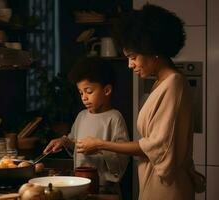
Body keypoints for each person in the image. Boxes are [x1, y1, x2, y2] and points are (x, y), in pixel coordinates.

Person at [76, 4, 205, 200]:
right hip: (154, 180)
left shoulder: (174, 84)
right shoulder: (160, 83)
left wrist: (101, 144)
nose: (130, 65)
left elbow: (156, 146)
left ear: (153, 51)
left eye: (133, 57)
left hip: (168, 188)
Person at [43, 57, 129, 195]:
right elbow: (75, 143)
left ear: (107, 90)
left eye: (89, 91)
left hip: (104, 189)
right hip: (79, 185)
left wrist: (100, 148)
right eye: (81, 92)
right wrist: (64, 141)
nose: (84, 97)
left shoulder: (114, 118)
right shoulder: (82, 116)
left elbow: (121, 159)